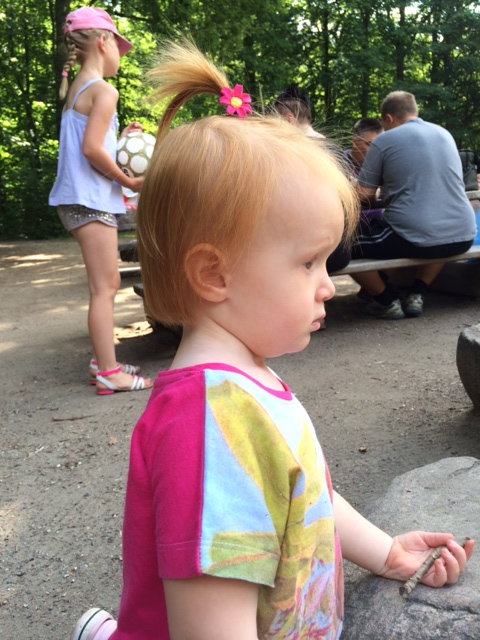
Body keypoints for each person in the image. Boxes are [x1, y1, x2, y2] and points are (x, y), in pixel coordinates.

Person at [69, 42, 474, 640]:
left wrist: (388, 553)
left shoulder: (246, 381)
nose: (328, 285)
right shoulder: (208, 427)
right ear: (215, 275)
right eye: (308, 262)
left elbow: (306, 494)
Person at [49, 7, 152, 395]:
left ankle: (102, 360)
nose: (120, 57)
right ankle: (109, 372)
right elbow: (91, 150)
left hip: (79, 201)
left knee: (102, 285)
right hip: (90, 202)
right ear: (104, 41)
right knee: (105, 287)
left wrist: (119, 137)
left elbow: (90, 142)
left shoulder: (80, 88)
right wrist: (128, 181)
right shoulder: (104, 91)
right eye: (119, 48)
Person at [352, 91, 476, 320]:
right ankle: (416, 293)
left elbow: (364, 195)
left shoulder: (383, 141)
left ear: (388, 118)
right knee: (435, 232)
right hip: (463, 233)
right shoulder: (444, 134)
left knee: (344, 244)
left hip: (415, 236)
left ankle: (385, 300)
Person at [271, 83, 349, 275]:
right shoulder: (335, 149)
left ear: (288, 119)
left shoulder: (293, 152)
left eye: (273, 123)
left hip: (310, 253)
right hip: (340, 250)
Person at [345, 117, 384, 221]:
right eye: (370, 144)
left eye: (380, 146)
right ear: (354, 142)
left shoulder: (385, 166)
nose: (376, 151)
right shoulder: (339, 163)